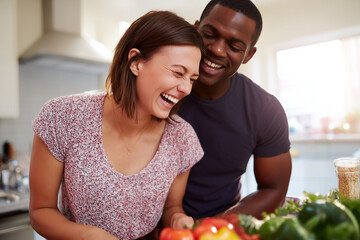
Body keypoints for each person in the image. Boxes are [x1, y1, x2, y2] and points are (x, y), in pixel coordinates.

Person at [29, 11, 204, 240]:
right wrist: (89, 236)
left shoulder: (183, 137)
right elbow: (41, 212)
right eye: (178, 73)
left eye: (192, 79)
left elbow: (172, 207)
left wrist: (177, 219)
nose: (186, 89)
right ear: (136, 62)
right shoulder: (62, 117)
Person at [179, 0, 292, 220]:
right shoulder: (161, 92)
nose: (217, 49)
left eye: (234, 46)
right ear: (195, 30)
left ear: (248, 55)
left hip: (224, 226)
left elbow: (273, 189)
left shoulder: (265, 110)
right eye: (209, 35)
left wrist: (209, 228)